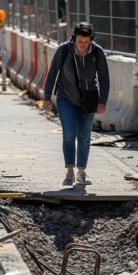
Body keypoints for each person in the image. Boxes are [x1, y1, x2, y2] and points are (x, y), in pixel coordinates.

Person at [43, 22, 110, 187]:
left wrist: (102, 101)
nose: (83, 45)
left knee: (85, 137)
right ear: (74, 38)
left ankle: (81, 172)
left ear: (91, 40)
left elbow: (104, 78)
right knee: (69, 134)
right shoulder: (63, 50)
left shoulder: (97, 52)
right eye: (80, 41)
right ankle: (69, 172)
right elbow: (52, 74)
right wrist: (46, 97)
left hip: (89, 100)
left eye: (86, 42)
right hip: (66, 98)